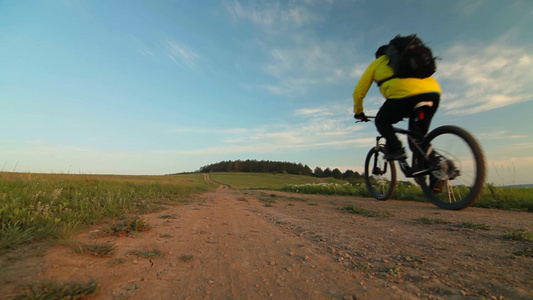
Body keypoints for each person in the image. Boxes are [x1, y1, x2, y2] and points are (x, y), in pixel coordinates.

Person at [353, 43, 441, 162]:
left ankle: (397, 149)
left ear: (380, 55)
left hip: (405, 95)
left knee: (381, 120)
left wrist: (359, 112)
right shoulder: (412, 61)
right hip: (433, 93)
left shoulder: (377, 62)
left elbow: (359, 92)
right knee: (417, 140)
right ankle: (438, 166)